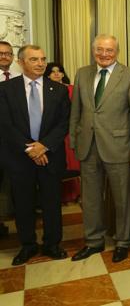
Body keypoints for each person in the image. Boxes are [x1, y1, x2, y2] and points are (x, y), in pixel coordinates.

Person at [70, 34, 130, 263]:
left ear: (117, 51)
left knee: (121, 197)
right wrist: (73, 140)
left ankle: (123, 241)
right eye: (100, 50)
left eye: (109, 50)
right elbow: (76, 111)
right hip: (87, 146)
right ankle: (93, 241)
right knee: (90, 198)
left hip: (118, 145)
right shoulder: (82, 73)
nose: (104, 54)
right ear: (93, 51)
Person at [0, 44, 70, 265]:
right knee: (23, 204)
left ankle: (52, 244)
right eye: (34, 60)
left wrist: (44, 146)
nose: (40, 64)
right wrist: (31, 148)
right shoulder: (6, 89)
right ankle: (28, 245)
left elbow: (63, 123)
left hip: (50, 156)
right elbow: (5, 124)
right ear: (20, 62)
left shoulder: (57, 89)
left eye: (42, 59)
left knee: (51, 202)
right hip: (19, 157)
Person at [44, 62, 81, 203]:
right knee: (60, 164)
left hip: (72, 131)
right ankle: (60, 196)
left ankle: (74, 194)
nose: (57, 74)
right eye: (53, 71)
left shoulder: (72, 89)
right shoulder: (46, 90)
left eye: (59, 71)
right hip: (55, 133)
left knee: (73, 163)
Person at [0, 40, 19, 237]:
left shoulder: (18, 77)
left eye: (8, 53)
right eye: (1, 53)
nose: (4, 56)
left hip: (15, 141)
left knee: (11, 183)